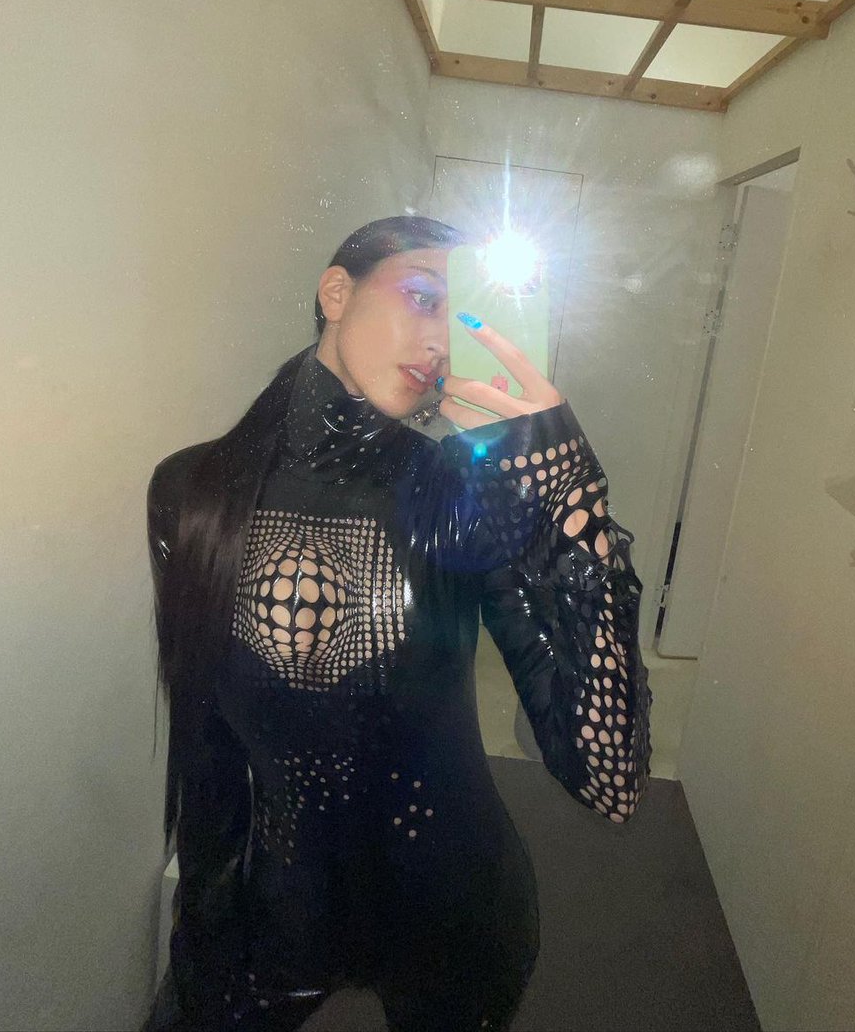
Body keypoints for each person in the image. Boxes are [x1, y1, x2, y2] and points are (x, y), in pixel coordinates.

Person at [143, 215, 653, 1031]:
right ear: (335, 293)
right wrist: (201, 919)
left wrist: (572, 502)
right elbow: (204, 749)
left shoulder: (464, 496)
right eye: (423, 298)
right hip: (272, 907)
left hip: (455, 911)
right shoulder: (192, 490)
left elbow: (609, 780)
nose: (441, 344)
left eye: (464, 320)